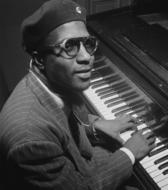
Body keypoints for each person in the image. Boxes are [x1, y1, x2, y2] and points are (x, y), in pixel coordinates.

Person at [0, 0, 155, 189]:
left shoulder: (52, 83)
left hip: (80, 161)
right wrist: (129, 153)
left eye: (88, 43)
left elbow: (62, 119)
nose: (86, 57)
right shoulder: (29, 139)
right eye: (70, 46)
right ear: (40, 59)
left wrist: (95, 126)